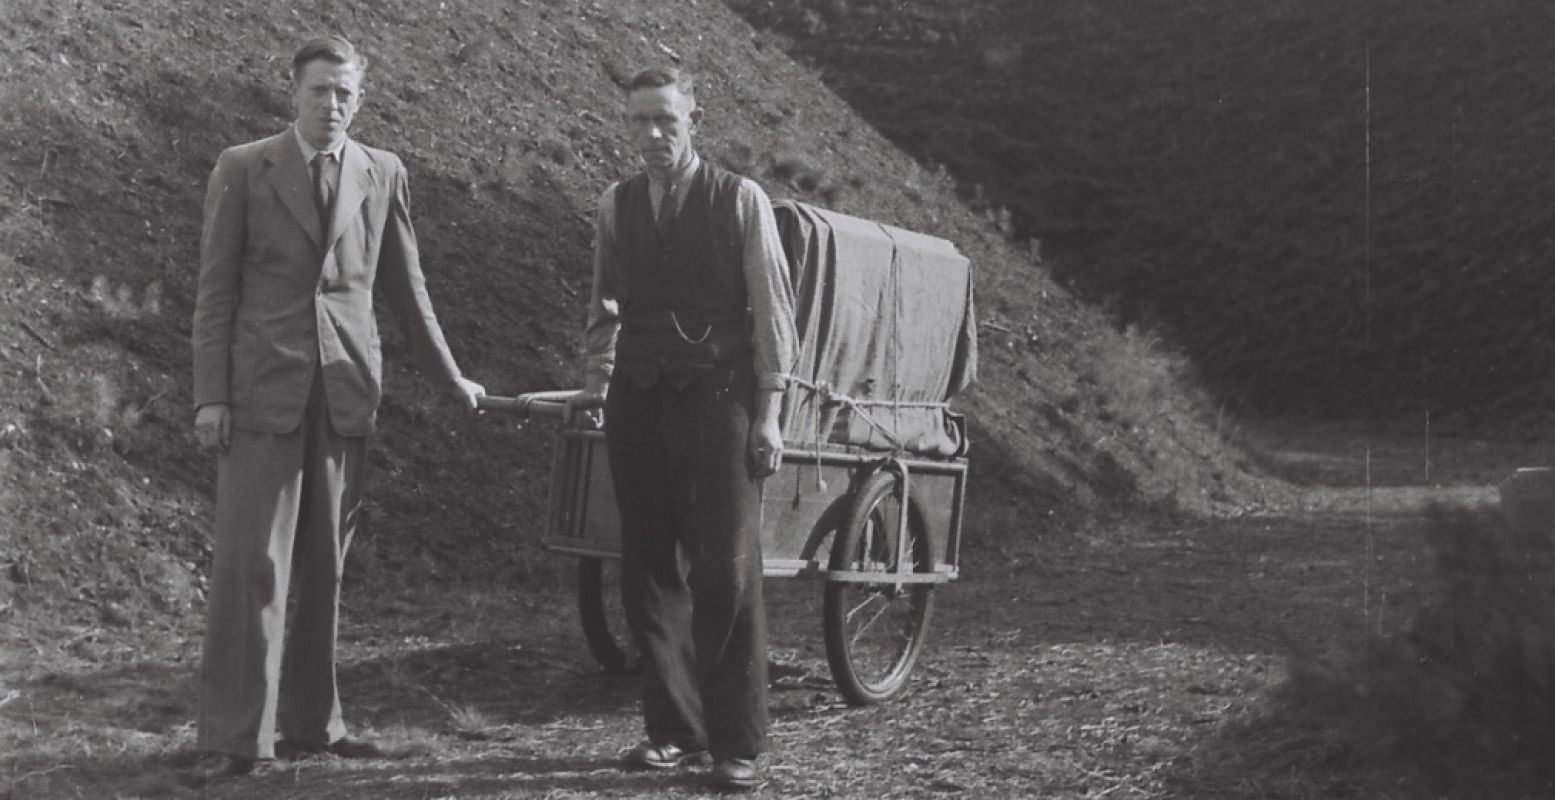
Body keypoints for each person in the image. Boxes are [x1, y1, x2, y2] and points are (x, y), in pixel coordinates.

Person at [186, 35, 484, 783]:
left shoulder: (382, 173)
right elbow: (216, 292)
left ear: (362, 98)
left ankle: (313, 724)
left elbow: (407, 291)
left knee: (324, 566)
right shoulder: (244, 167)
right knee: (252, 566)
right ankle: (233, 737)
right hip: (261, 395)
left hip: (347, 391)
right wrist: (211, 395)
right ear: (293, 92)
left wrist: (452, 378)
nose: (333, 105)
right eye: (320, 91)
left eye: (346, 93)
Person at [566, 65, 798, 793]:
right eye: (639, 120)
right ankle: (672, 731)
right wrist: (596, 382)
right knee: (646, 567)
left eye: (666, 118)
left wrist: (768, 413)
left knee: (725, 572)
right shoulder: (616, 203)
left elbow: (773, 312)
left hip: (718, 400)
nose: (652, 134)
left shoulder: (739, 200)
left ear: (694, 117)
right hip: (639, 398)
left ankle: (735, 743)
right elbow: (604, 307)